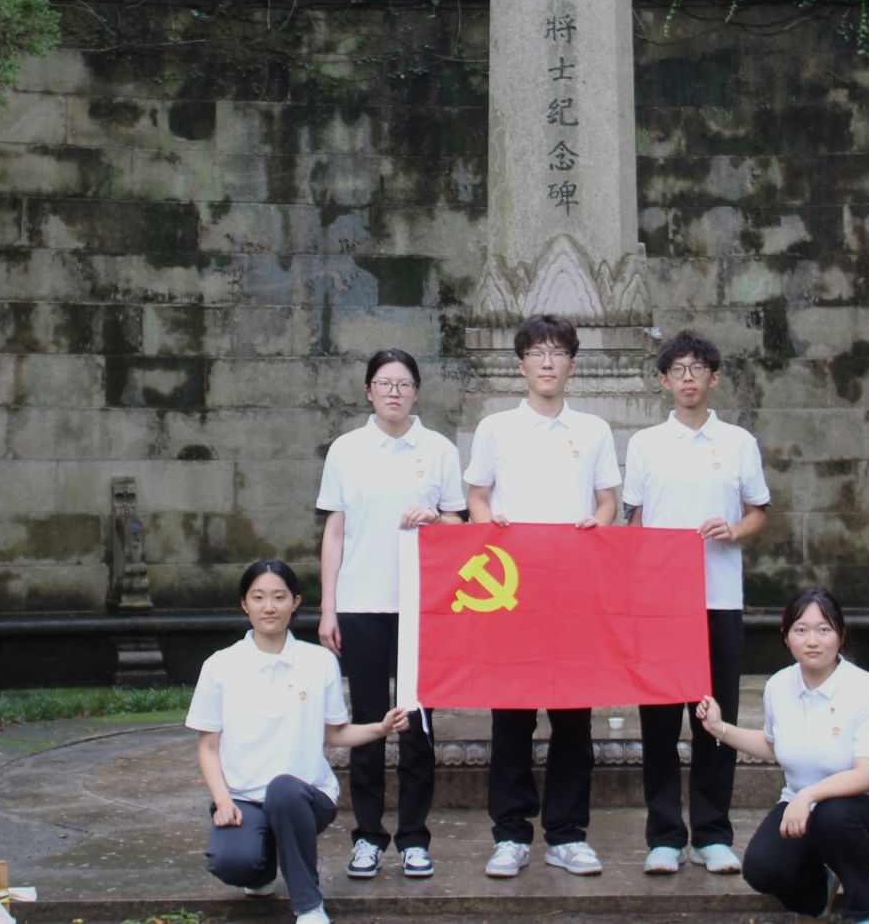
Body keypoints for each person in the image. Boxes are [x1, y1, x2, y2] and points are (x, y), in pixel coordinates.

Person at [464, 313, 620, 878]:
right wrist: (490, 524)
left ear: (572, 364)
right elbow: (476, 497)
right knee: (511, 714)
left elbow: (608, 502)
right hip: (511, 592)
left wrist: (599, 523)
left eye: (558, 353)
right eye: (537, 353)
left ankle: (567, 834)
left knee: (574, 717)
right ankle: (510, 834)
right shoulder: (496, 428)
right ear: (522, 364)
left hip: (573, 591)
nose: (547, 363)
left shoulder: (594, 430)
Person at [188, 559, 411, 924]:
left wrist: (380, 728)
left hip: (306, 797)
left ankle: (309, 906)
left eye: (279, 597)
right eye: (258, 597)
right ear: (244, 604)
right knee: (231, 862)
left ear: (295, 602)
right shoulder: (220, 666)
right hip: (244, 799)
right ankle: (260, 871)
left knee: (284, 791)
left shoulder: (318, 662)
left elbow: (335, 733)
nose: (269, 607)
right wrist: (223, 800)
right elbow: (208, 747)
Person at [315, 348, 465, 881]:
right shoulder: (347, 449)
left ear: (417, 391)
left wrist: (435, 518)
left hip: (422, 605)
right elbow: (335, 530)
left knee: (418, 724)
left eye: (403, 384)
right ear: (368, 391)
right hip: (360, 603)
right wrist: (328, 607)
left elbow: (460, 525)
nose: (394, 392)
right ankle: (367, 836)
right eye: (384, 383)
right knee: (369, 721)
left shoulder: (439, 449)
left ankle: (415, 838)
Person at [624, 330, 770, 875]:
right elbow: (635, 520)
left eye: (697, 368)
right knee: (659, 722)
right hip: (661, 605)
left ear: (715, 377)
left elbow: (759, 513)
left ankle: (712, 834)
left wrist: (733, 531)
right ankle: (664, 836)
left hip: (719, 598)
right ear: (663, 380)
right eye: (678, 369)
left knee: (716, 717)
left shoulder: (738, 443)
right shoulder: (645, 444)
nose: (688, 378)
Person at [696, 588, 869, 924]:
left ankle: (866, 911)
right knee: (761, 869)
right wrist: (719, 728)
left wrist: (807, 796)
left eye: (824, 630)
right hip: (802, 807)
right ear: (786, 636)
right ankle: (819, 895)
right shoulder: (778, 686)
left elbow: (865, 776)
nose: (812, 641)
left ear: (841, 636)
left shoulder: (865, 690)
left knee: (833, 815)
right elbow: (772, 745)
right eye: (801, 630)